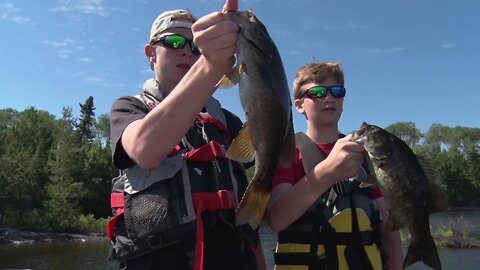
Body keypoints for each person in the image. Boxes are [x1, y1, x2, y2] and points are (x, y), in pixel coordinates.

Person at [106, 0, 266, 269]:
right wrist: (211, 65)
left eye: (195, 47)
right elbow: (145, 150)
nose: (187, 53)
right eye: (175, 43)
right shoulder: (129, 107)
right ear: (151, 54)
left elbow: (249, 205)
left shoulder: (228, 121)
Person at [267, 62, 404, 270]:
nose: (329, 97)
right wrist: (327, 172)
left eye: (337, 92)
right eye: (318, 92)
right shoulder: (288, 152)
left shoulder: (366, 155)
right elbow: (277, 219)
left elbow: (389, 227)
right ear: (299, 105)